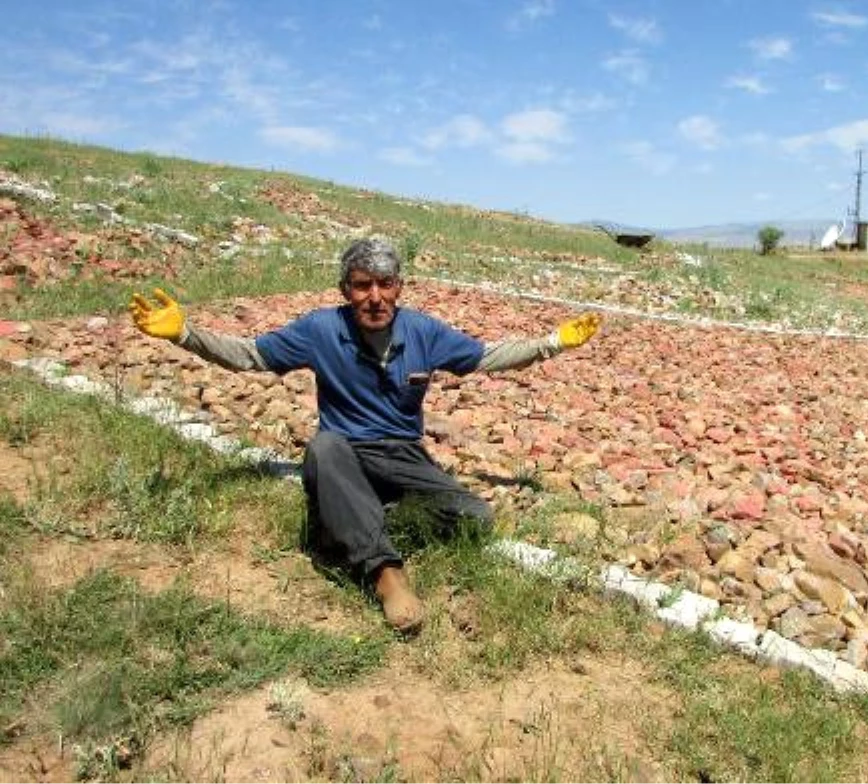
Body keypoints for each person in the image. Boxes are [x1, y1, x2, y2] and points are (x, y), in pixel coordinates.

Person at [129, 237, 601, 633]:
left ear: (400, 288)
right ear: (345, 290)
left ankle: (355, 521)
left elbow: (487, 357)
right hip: (345, 450)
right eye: (362, 285)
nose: (375, 296)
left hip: (401, 455)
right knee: (323, 447)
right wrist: (185, 334)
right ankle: (385, 572)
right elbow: (250, 355)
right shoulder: (319, 329)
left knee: (475, 516)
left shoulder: (424, 332)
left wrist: (553, 343)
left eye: (385, 284)